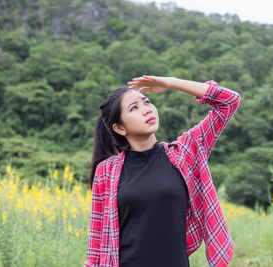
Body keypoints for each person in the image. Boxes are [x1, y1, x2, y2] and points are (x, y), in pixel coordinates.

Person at [84, 75, 241, 267]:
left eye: (147, 102)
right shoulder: (107, 171)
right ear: (119, 128)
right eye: (134, 108)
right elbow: (96, 244)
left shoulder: (185, 153)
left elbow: (229, 101)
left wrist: (172, 82)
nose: (147, 109)